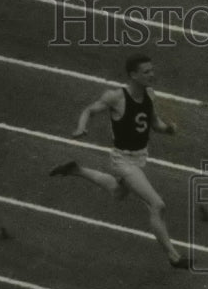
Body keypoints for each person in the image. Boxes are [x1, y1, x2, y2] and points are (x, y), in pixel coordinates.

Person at [49, 54, 189, 268]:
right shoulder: (116, 97)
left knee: (117, 192)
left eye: (152, 70)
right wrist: (81, 127)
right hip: (122, 161)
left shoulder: (150, 94)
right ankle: (173, 256)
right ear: (133, 75)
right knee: (157, 204)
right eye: (146, 72)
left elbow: (154, 124)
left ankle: (76, 169)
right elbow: (90, 109)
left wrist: (168, 129)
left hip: (140, 158)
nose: (152, 74)